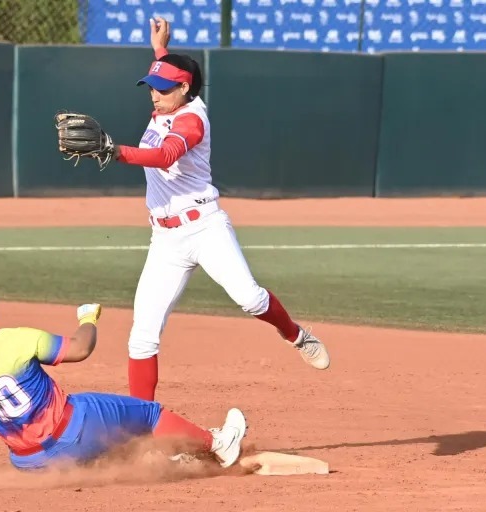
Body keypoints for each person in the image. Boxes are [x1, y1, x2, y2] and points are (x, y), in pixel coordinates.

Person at [109, 18, 331, 401]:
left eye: (162, 88)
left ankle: (294, 333)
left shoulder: (192, 119)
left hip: (205, 229)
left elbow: (164, 156)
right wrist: (160, 49)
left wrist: (114, 151)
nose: (154, 95)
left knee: (251, 300)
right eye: (150, 87)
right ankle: (139, 426)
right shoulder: (170, 98)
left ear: (184, 88)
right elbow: (169, 78)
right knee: (142, 335)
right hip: (165, 239)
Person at [0, 280, 247, 473]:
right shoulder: (14, 340)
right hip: (76, 432)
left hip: (32, 464)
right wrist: (88, 318)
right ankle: (219, 443)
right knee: (146, 413)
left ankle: (164, 460)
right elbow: (79, 349)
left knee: (103, 431)